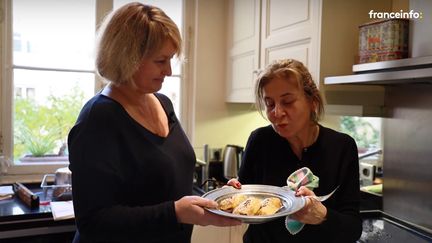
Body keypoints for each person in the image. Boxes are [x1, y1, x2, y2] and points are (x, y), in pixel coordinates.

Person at [67, 3, 240, 243]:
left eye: (170, 59)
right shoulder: (98, 119)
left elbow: (165, 178)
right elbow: (93, 222)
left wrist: (216, 196)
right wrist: (175, 212)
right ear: (128, 57)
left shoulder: (163, 103)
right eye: (160, 61)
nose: (169, 71)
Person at [227, 59, 363, 243]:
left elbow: (353, 228)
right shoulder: (259, 141)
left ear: (312, 102)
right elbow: (246, 200)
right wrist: (232, 196)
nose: (277, 112)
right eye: (269, 104)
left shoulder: (341, 147)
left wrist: (322, 215)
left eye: (288, 101)